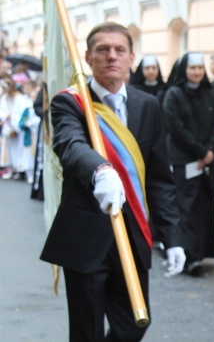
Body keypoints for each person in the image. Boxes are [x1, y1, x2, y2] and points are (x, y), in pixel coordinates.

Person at [40, 22, 186, 341]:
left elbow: (160, 179)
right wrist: (100, 170)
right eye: (102, 50)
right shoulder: (71, 102)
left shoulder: (147, 105)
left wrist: (172, 236)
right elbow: (70, 144)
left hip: (132, 236)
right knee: (86, 332)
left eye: (120, 50)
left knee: (135, 323)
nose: (111, 57)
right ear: (88, 57)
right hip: (86, 236)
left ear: (131, 56)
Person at [163, 52, 214, 276]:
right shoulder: (174, 94)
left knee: (202, 207)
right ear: (184, 70)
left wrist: (208, 150)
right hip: (183, 160)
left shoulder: (209, 93)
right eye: (192, 68)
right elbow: (176, 128)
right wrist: (200, 151)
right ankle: (188, 255)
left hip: (205, 161)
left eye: (200, 68)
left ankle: (200, 251)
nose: (197, 72)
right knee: (184, 208)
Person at [0, 74, 32, 180]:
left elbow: (22, 111)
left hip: (16, 126)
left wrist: (14, 118)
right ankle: (9, 168)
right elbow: (2, 110)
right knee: (7, 149)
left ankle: (18, 169)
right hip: (8, 125)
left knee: (19, 149)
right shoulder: (4, 98)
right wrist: (5, 116)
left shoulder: (19, 98)